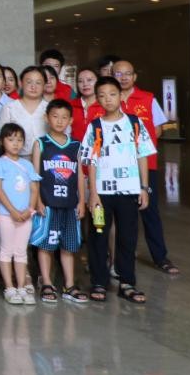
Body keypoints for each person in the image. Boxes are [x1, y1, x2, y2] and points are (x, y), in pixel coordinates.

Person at [82, 76, 154, 305]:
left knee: (127, 237)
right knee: (99, 235)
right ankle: (99, 281)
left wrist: (144, 187)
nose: (108, 99)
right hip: (102, 194)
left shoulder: (134, 123)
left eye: (112, 94)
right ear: (97, 99)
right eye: (102, 96)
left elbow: (143, 155)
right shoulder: (95, 127)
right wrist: (93, 193)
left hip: (129, 191)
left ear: (121, 96)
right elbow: (91, 162)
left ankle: (127, 282)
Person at [113, 59, 178, 276]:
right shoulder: (109, 99)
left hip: (144, 165)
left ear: (134, 77)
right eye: (118, 74)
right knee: (123, 214)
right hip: (117, 167)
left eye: (127, 73)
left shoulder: (148, 98)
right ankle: (122, 257)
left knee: (150, 211)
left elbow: (157, 129)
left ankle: (160, 257)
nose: (123, 77)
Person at [31, 100, 87, 305]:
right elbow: (35, 175)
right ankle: (46, 282)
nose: (59, 121)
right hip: (48, 203)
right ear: (47, 118)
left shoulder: (75, 145)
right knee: (46, 244)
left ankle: (69, 285)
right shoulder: (40, 143)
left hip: (70, 204)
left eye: (64, 117)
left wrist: (82, 201)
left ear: (71, 120)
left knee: (69, 246)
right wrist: (37, 200)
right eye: (55, 116)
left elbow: (80, 175)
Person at [0, 123, 41, 306]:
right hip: (6, 215)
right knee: (6, 250)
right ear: (2, 142)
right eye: (11, 139)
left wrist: (30, 209)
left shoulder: (27, 164)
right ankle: (9, 287)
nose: (16, 143)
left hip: (26, 216)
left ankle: (21, 287)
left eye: (19, 140)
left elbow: (34, 189)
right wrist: (12, 210)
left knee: (21, 252)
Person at [0, 66, 48, 155]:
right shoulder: (9, 108)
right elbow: (1, 137)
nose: (33, 86)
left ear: (44, 85)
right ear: (20, 83)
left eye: (38, 83)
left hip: (46, 158)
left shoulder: (50, 109)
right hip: (16, 158)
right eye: (29, 82)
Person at [69, 67, 100, 143]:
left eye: (89, 80)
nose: (85, 84)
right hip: (75, 148)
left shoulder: (105, 105)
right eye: (80, 81)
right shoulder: (70, 106)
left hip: (99, 148)